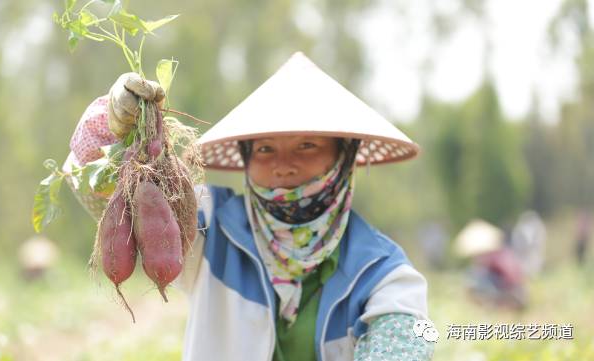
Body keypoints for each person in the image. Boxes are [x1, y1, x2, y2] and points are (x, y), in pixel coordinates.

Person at [64, 52, 434, 361]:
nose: (283, 164)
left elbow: (412, 333)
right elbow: (99, 192)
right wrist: (116, 123)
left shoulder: (383, 270)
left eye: (307, 146)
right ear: (245, 156)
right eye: (265, 149)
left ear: (344, 156)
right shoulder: (211, 227)